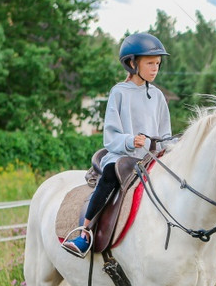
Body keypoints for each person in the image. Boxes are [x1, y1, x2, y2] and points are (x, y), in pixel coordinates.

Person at [62, 32, 173, 257]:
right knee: (110, 175)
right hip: (123, 157)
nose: (155, 69)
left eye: (158, 64)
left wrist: (176, 145)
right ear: (132, 63)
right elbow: (110, 137)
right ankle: (84, 232)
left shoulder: (159, 96)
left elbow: (166, 135)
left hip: (151, 159)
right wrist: (130, 141)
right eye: (150, 63)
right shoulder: (119, 92)